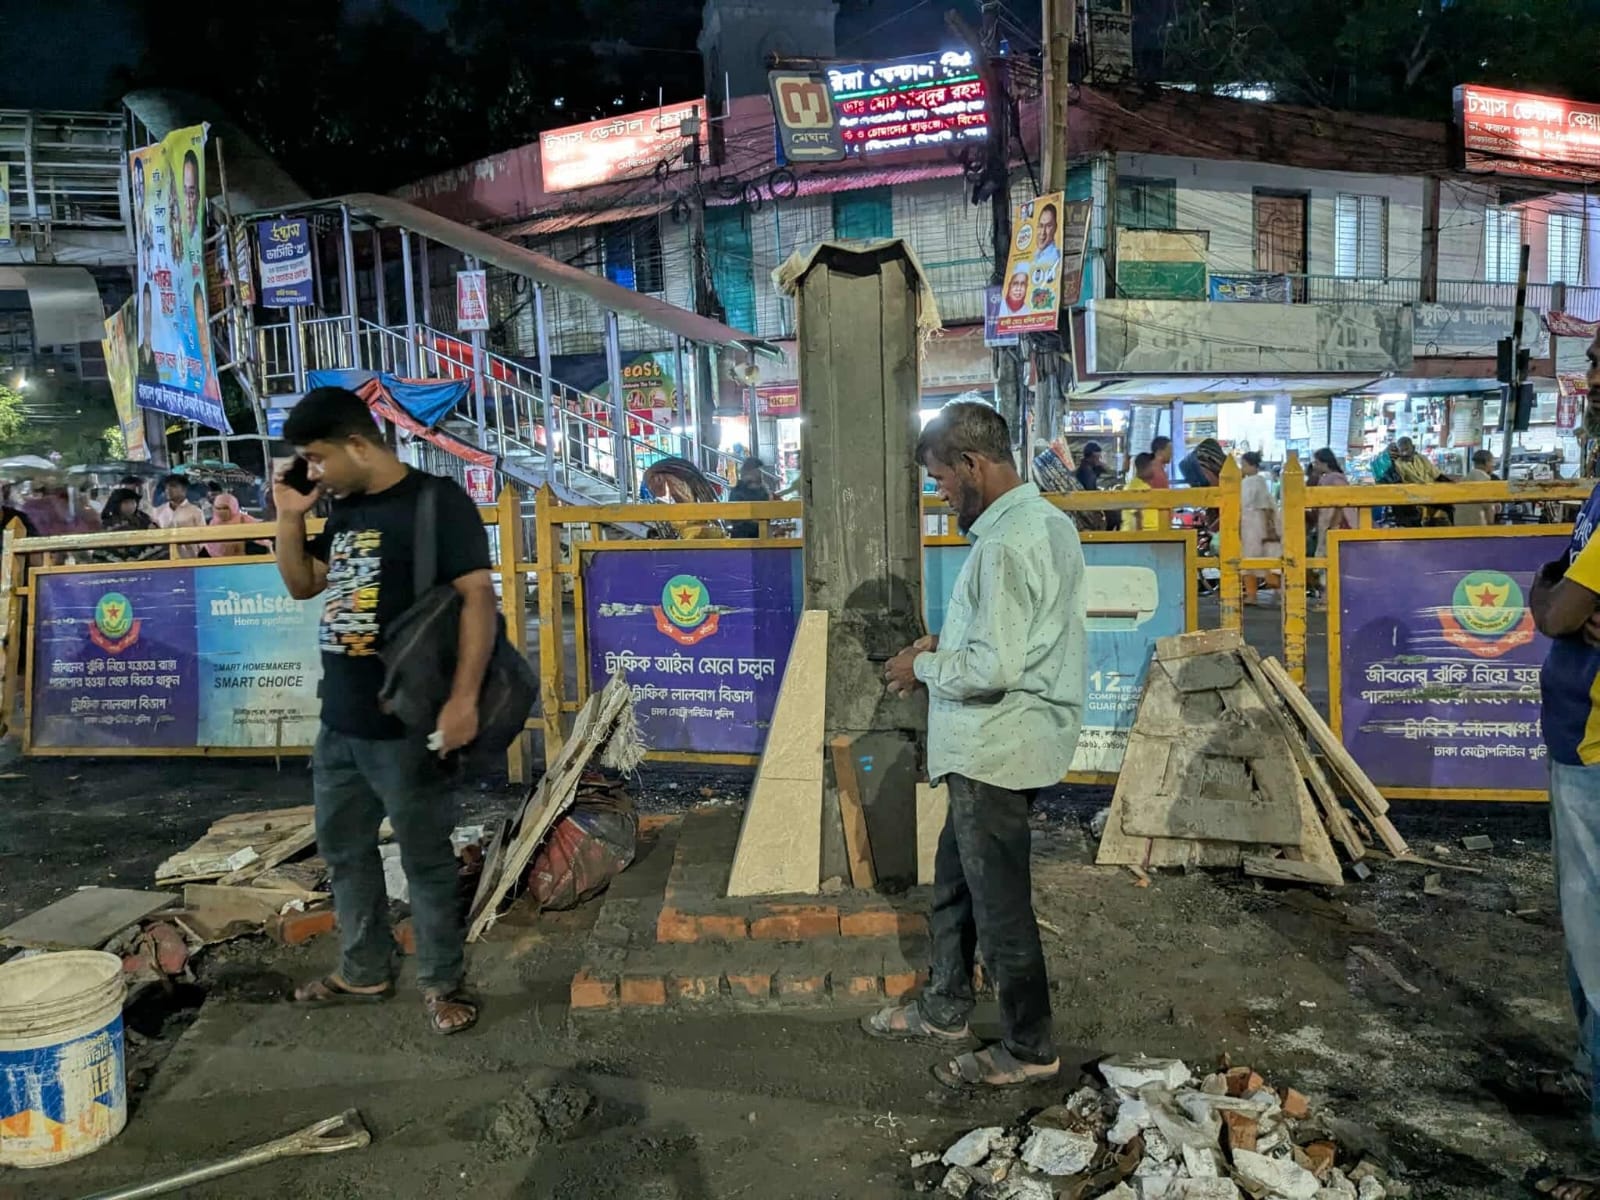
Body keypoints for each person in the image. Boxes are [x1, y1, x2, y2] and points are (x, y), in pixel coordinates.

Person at [865, 401, 1085, 1090]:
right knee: (957, 890)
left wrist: (919, 667)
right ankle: (946, 1005)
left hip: (996, 748)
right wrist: (943, 644)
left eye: (942, 478)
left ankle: (1027, 1046)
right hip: (996, 749)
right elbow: (1014, 640)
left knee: (999, 908)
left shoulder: (1002, 545)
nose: (941, 493)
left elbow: (993, 669)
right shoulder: (1044, 523)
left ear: (972, 464)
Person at [275, 386, 496, 1036]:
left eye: (316, 458)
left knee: (425, 859)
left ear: (357, 444)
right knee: (345, 853)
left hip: (408, 720)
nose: (311, 471)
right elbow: (301, 585)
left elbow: (479, 600)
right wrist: (290, 516)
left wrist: (463, 698)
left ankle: (441, 982)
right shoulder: (342, 509)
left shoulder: (437, 503)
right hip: (339, 720)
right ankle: (364, 968)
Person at [1239, 451, 1282, 604]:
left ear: (1252, 466)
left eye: (1243, 465)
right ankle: (1274, 592)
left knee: (1249, 558)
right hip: (1255, 523)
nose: (1241, 468)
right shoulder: (1259, 481)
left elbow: (1263, 507)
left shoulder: (1251, 482)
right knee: (1265, 557)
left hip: (1252, 524)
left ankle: (1252, 595)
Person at [154, 474, 206, 557]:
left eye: (173, 486)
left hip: (190, 559)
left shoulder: (195, 511)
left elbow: (204, 538)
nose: (168, 490)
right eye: (166, 487)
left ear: (184, 489)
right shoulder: (158, 511)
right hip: (165, 559)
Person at [205, 493, 265, 558]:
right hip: (217, 565)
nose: (221, 511)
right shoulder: (211, 524)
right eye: (218, 508)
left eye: (225, 508)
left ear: (233, 507)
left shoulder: (246, 521)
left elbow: (262, 542)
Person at [726, 457, 772, 539]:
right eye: (757, 470)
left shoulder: (763, 490)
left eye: (760, 470)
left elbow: (767, 515)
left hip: (761, 535)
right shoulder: (738, 490)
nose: (760, 473)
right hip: (741, 535)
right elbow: (733, 517)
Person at [1454, 449, 1500, 527]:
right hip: (1478, 529)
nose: (1493, 465)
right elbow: (1489, 510)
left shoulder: (1463, 481)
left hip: (1459, 527)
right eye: (1492, 462)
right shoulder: (1485, 482)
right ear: (1487, 462)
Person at [1122, 452, 1162, 531]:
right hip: (1140, 537)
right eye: (1153, 466)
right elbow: (1137, 516)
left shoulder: (1145, 486)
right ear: (1145, 467)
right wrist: (1141, 540)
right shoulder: (1134, 488)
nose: (1155, 469)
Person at [1032, 203, 1061, 269]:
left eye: (1048, 226)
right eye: (1041, 225)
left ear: (1055, 228)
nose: (1043, 232)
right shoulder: (1036, 254)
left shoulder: (1055, 257)